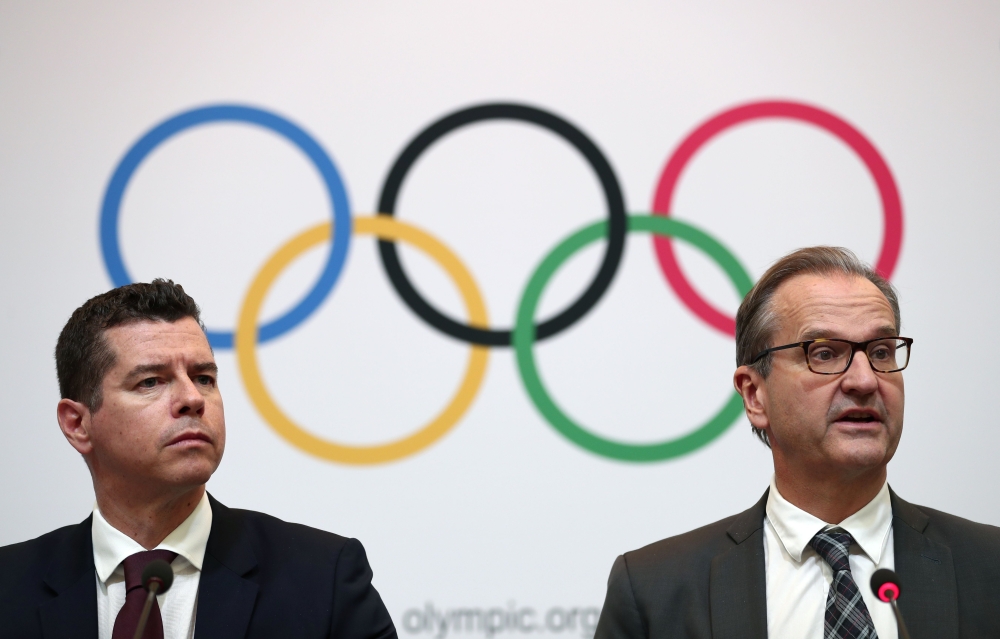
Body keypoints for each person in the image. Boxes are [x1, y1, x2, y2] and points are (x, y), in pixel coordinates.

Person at [594, 247, 1000, 639]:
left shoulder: (989, 567)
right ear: (755, 395)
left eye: (880, 351)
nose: (864, 380)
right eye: (823, 353)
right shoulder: (655, 590)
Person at [0, 280, 397, 639]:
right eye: (151, 381)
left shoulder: (322, 578)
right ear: (77, 424)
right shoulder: (9, 588)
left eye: (204, 378)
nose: (192, 398)